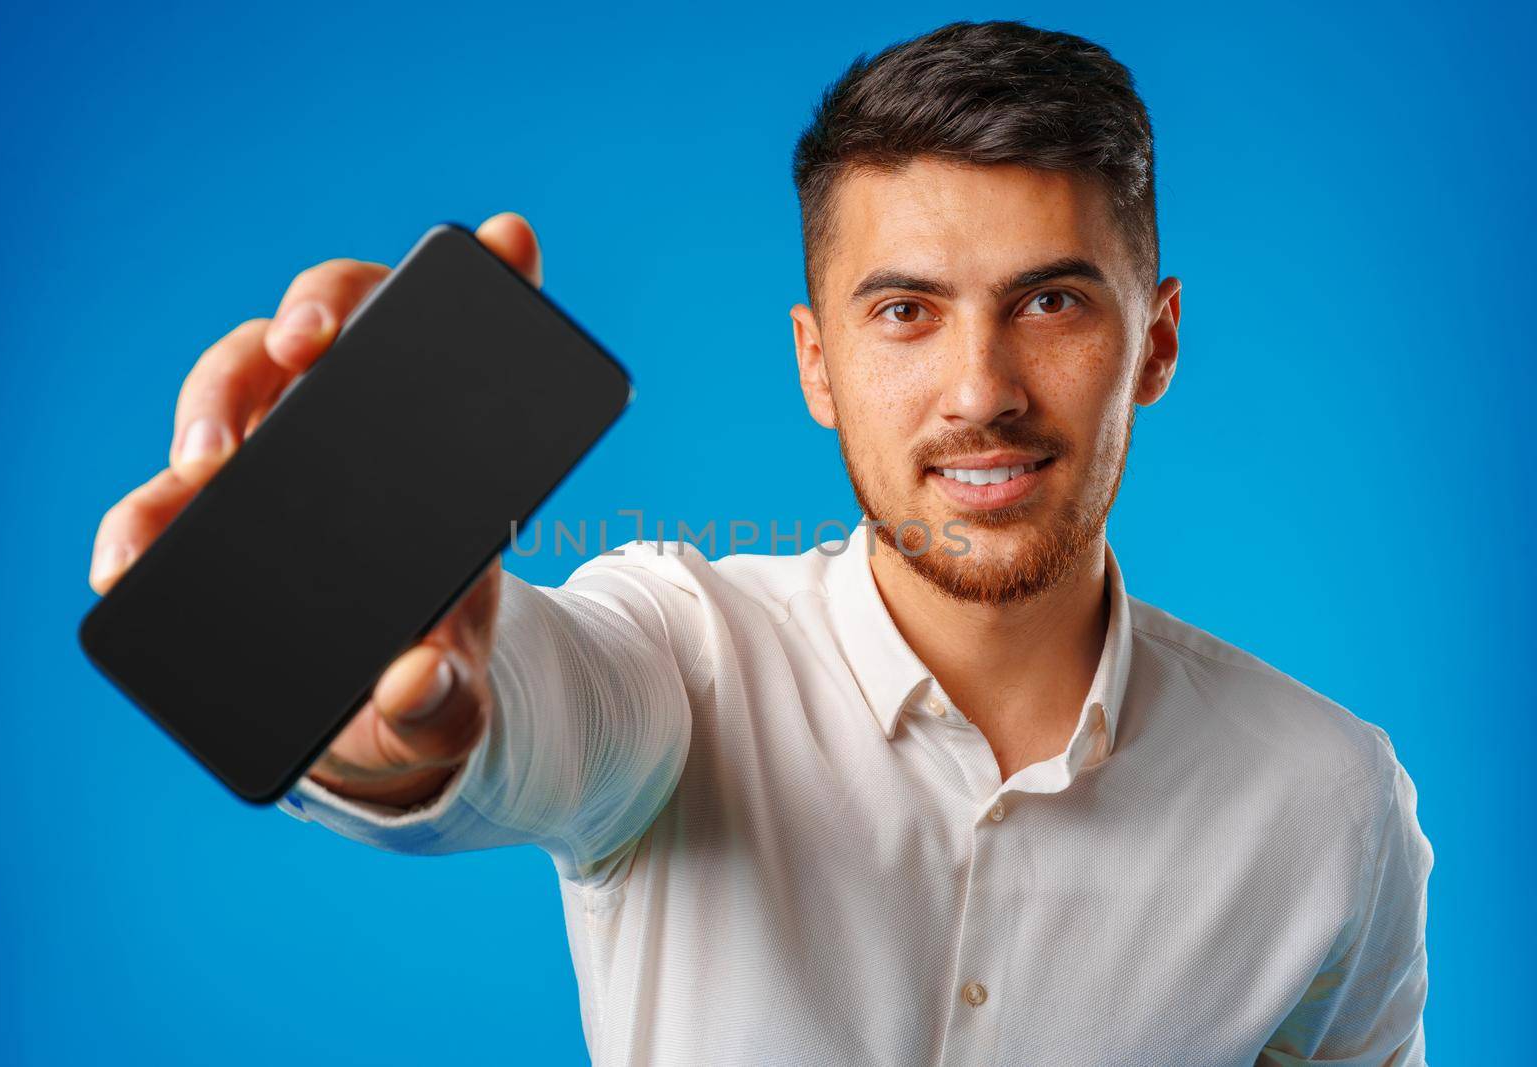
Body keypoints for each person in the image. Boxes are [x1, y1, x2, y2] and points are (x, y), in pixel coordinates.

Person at [86, 19, 1432, 1067]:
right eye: (905, 311)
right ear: (817, 364)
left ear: (1159, 340)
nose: (981, 390)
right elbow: (538, 712)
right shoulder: (685, 654)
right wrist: (389, 727)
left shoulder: (1331, 805)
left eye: (1052, 302)